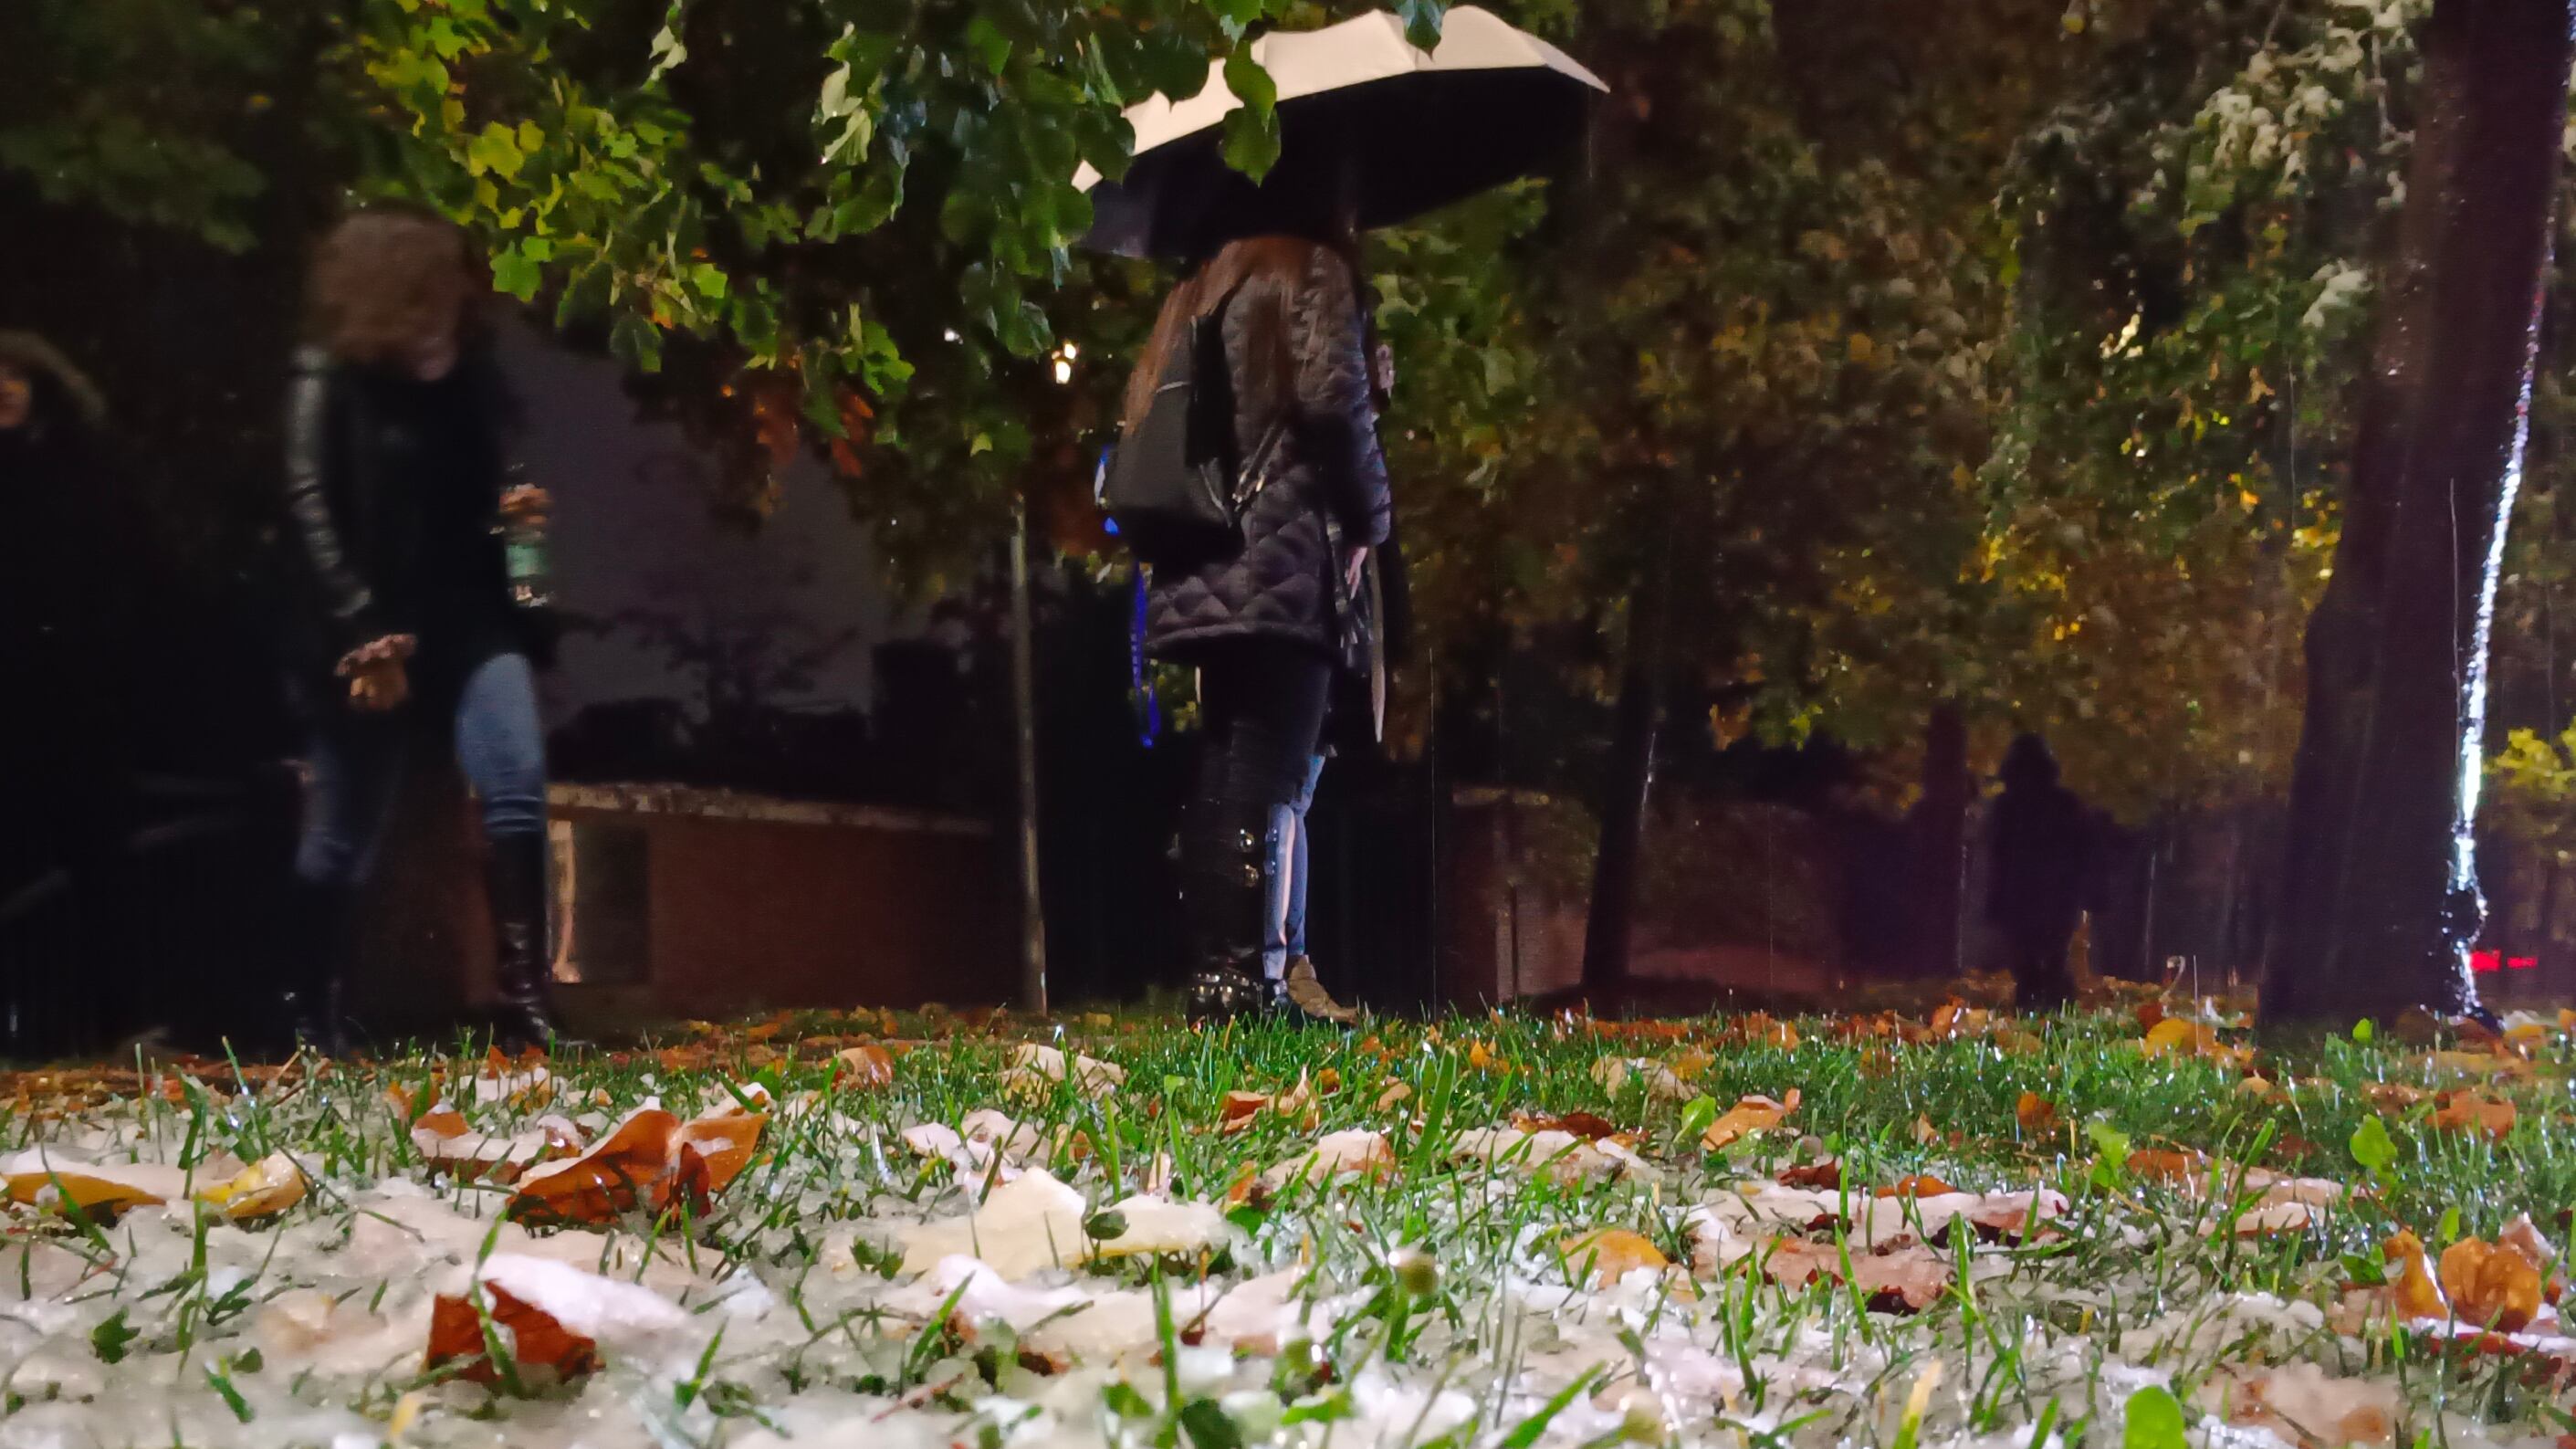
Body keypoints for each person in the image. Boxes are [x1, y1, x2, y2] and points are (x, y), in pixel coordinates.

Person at [275, 205, 564, 1052]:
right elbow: (309, 507)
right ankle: (308, 1014)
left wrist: (523, 537)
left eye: (454, 298)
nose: (449, 311)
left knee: (516, 774)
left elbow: (503, 487)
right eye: (429, 297)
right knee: (342, 834)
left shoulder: (473, 380)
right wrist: (363, 632)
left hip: (473, 620)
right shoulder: (326, 379)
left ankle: (528, 1002)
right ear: (388, 297)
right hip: (366, 627)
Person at [1133, 230, 1390, 1024]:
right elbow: (1331, 404)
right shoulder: (1310, 270)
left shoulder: (1203, 280)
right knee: (1270, 780)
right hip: (1279, 560)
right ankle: (1251, 987)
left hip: (1205, 555)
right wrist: (1370, 518)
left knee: (1227, 772)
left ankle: (1220, 982)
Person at [0, 332, 138, 1048]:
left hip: (77, 689)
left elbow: (116, 568)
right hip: (16, 687)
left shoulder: (78, 465)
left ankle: (115, 1019)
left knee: (96, 857)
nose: (5, 385)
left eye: (17, 372)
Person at [1984, 733, 2094, 1011]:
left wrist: (1995, 898)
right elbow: (2083, 851)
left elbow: (1998, 855)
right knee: (2052, 956)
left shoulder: (2006, 807)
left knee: (2029, 960)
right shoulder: (2065, 804)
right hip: (2057, 893)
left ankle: (2034, 1006)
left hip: (2021, 893)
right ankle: (2055, 1006)